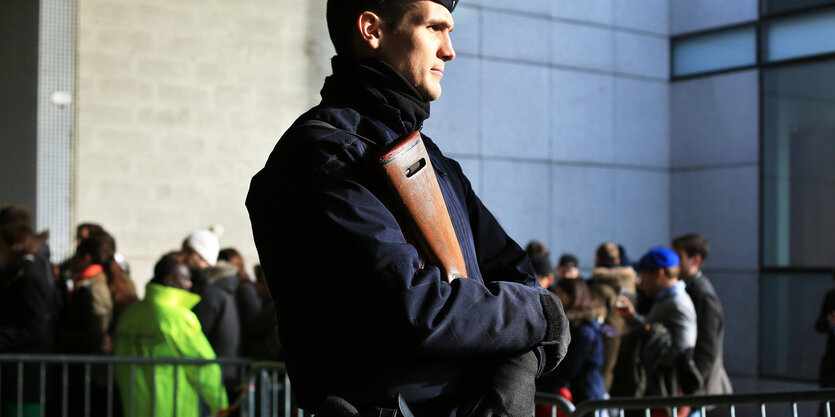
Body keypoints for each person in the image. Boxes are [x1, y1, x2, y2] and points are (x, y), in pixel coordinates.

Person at [246, 1, 570, 415]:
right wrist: (543, 317)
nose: (449, 50)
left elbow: (518, 277)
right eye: (434, 28)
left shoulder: (434, 162)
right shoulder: (321, 157)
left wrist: (516, 371)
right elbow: (415, 310)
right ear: (371, 30)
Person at [114, 254, 228, 417]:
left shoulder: (131, 314)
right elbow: (203, 365)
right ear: (169, 280)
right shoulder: (178, 318)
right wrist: (220, 404)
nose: (189, 284)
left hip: (135, 406)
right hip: (175, 407)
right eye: (185, 279)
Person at [615, 247, 698, 406]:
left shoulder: (678, 303)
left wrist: (646, 354)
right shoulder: (664, 299)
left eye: (644, 274)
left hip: (668, 393)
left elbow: (683, 350)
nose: (641, 281)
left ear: (659, 274)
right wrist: (634, 319)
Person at [0, 206, 56, 417]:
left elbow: (37, 330)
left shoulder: (29, 274)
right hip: (15, 377)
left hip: (25, 380)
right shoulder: (20, 271)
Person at [182, 228, 242, 400]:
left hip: (212, 374)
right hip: (217, 372)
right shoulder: (216, 287)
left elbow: (196, 333)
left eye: (188, 251)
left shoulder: (211, 292)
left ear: (200, 255)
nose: (184, 256)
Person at [672, 234, 732, 400]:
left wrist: (690, 387)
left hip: (698, 392)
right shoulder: (687, 288)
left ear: (695, 260)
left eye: (679, 257)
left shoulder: (702, 295)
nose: (674, 262)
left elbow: (706, 349)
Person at [536, 278, 606, 417]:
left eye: (560, 293)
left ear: (574, 296)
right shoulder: (574, 326)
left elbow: (570, 367)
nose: (556, 297)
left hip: (586, 395)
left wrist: (542, 387)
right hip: (577, 394)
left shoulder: (584, 330)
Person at [587, 242, 637, 391]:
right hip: (628, 335)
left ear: (597, 259)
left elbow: (594, 313)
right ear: (617, 260)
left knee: (603, 378)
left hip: (605, 337)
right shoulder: (629, 283)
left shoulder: (597, 285)